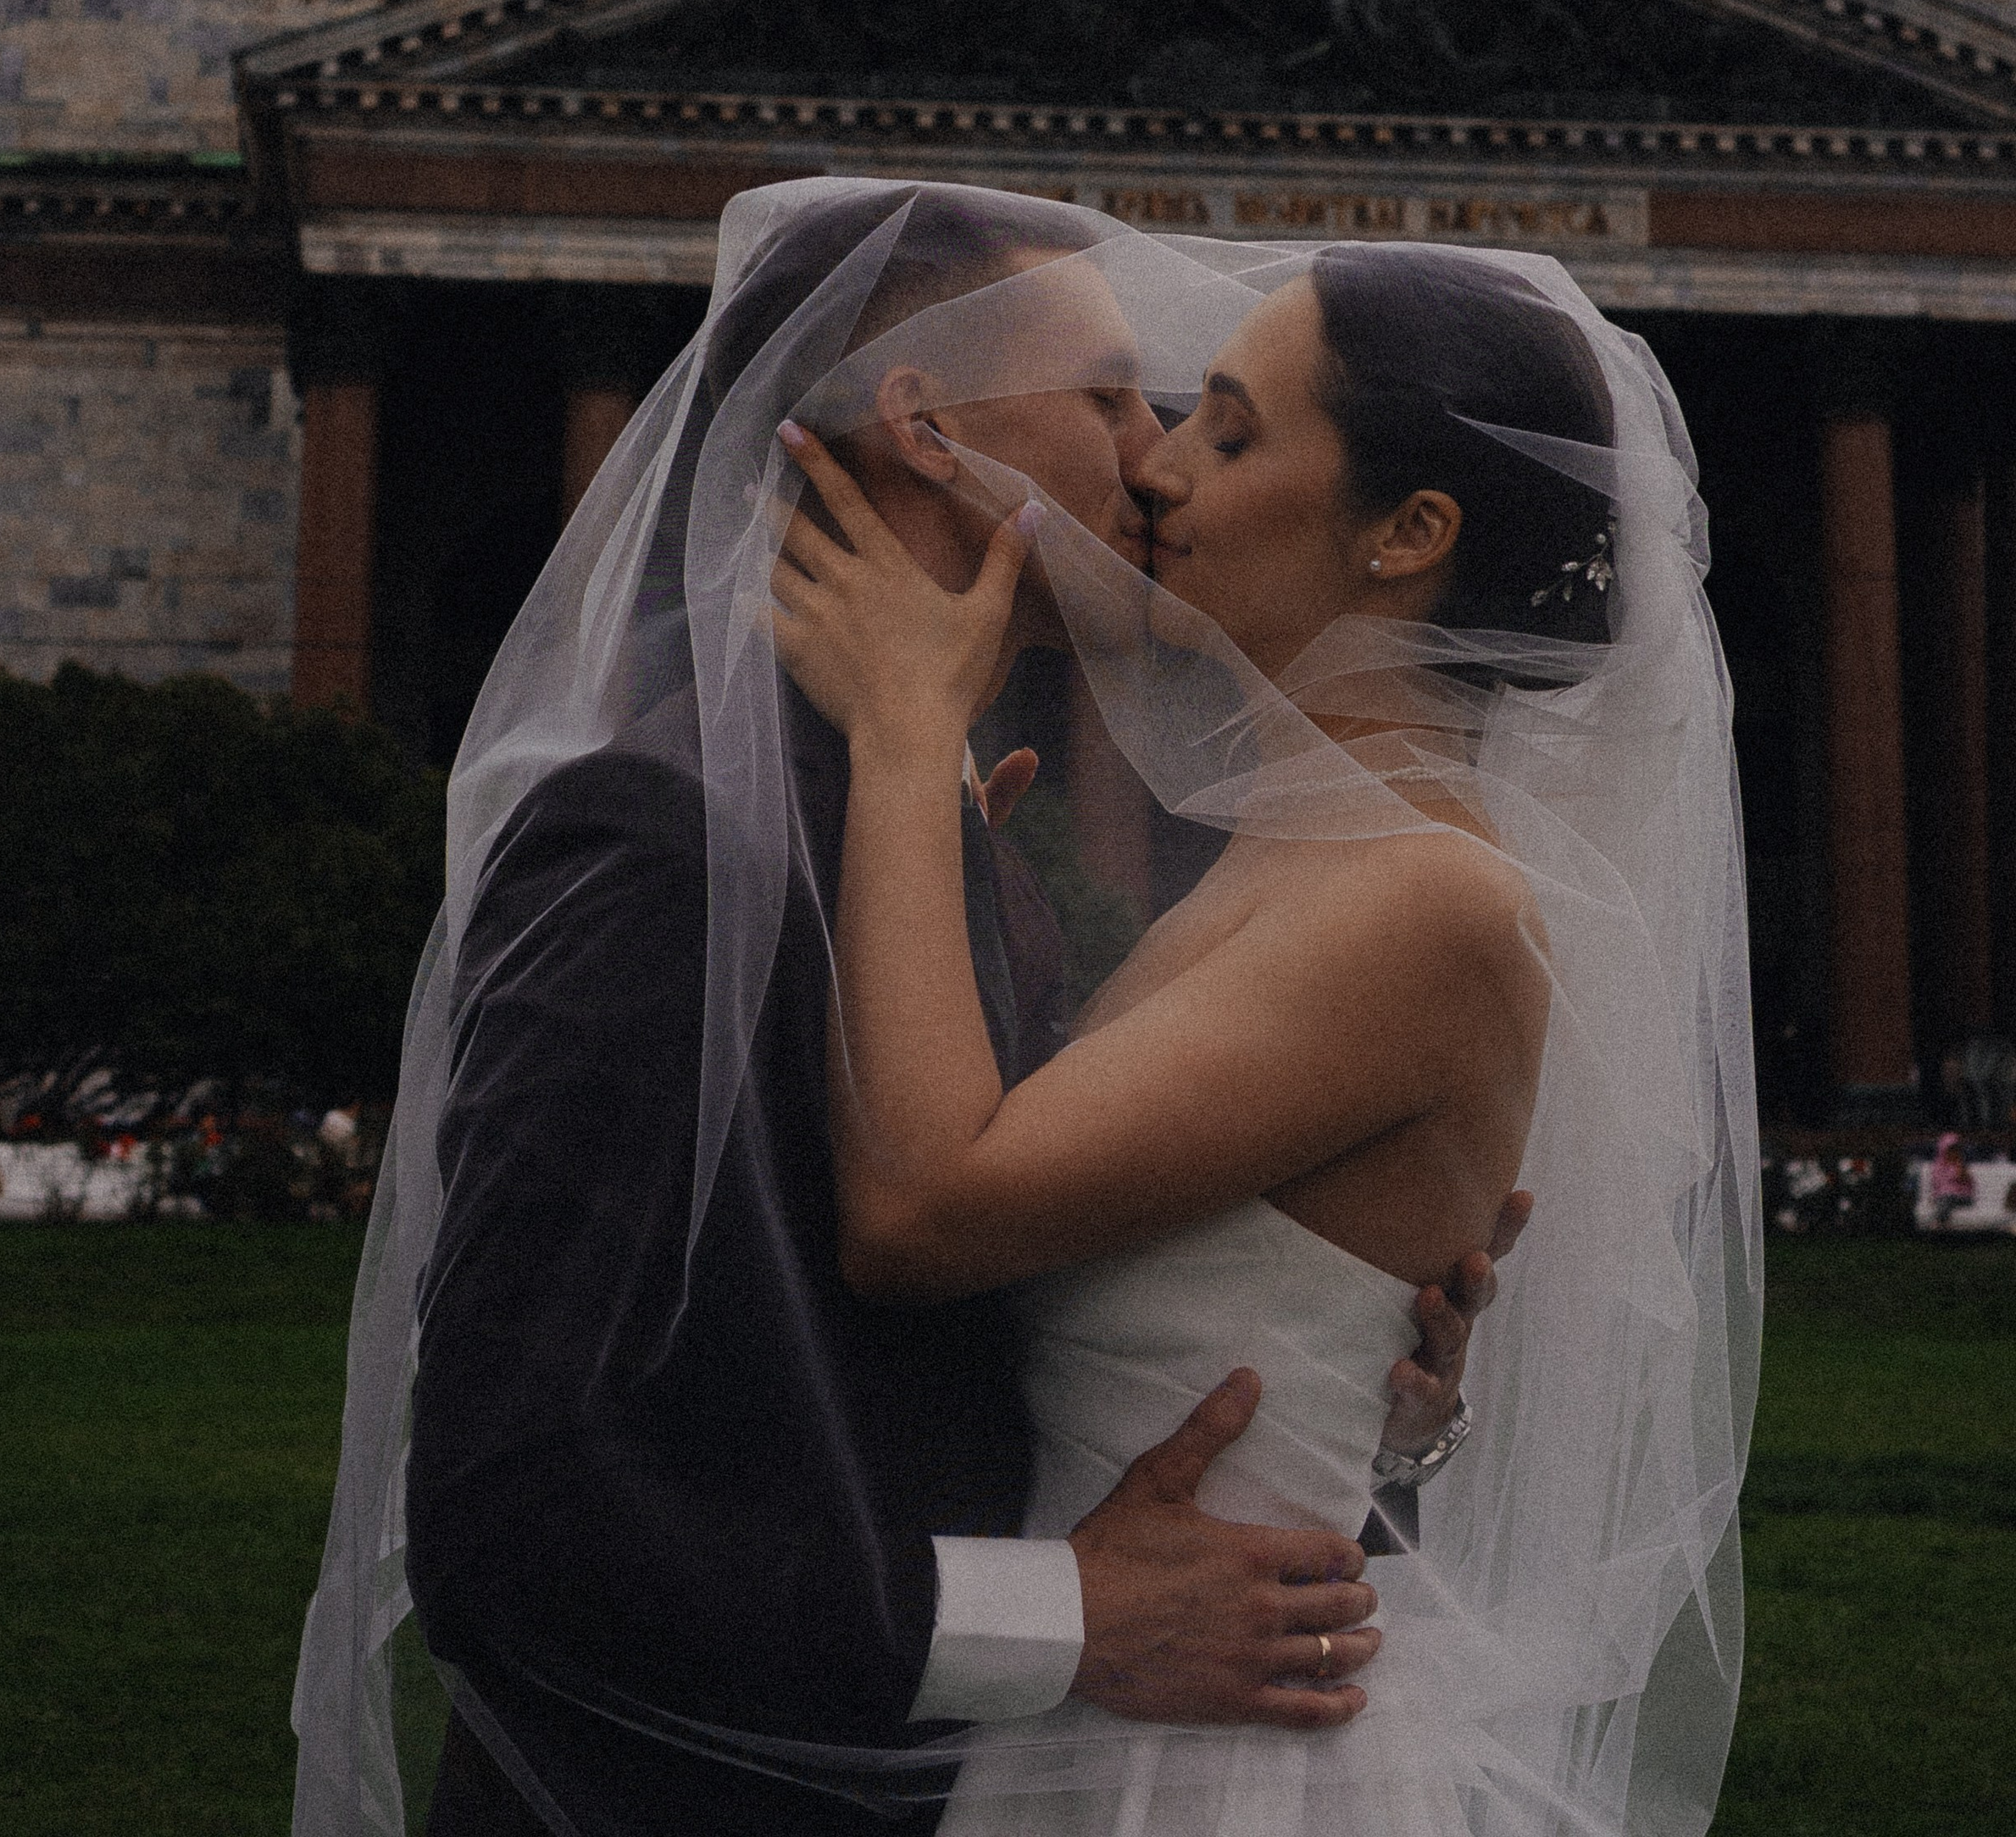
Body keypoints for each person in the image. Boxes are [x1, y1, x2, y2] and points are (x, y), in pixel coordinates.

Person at [292, 186, 1523, 1837]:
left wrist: (1337, 1342)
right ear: (927, 426)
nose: (1146, 462)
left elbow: (959, 1352)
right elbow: (511, 1525)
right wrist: (1060, 1620)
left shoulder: (935, 830)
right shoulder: (672, 840)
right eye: (1103, 399)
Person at [767, 234, 1758, 1835]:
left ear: (1408, 534)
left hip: (1211, 1765)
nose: (1150, 468)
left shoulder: (1423, 900)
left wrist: (900, 733)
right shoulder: (1297, 859)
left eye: (1229, 431)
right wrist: (1391, 1407)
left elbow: (921, 1208)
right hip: (1123, 1700)